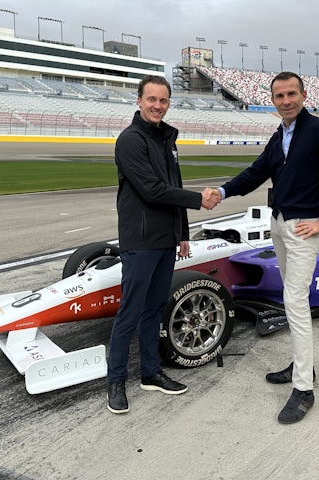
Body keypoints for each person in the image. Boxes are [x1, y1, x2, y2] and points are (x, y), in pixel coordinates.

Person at [208, 71, 319, 424]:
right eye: (279, 96)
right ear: (273, 100)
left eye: (292, 94)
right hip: (278, 224)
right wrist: (224, 191)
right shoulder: (280, 135)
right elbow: (257, 171)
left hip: (305, 228)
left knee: (294, 300)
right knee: (293, 301)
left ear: (304, 95)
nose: (286, 100)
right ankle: (301, 364)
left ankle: (304, 388)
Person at [107, 75, 217, 414]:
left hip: (166, 240)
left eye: (164, 100)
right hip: (140, 241)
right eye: (152, 99)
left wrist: (183, 231)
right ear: (139, 100)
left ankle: (151, 374)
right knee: (130, 312)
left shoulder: (167, 138)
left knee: (154, 310)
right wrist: (200, 199)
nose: (157, 106)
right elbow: (152, 190)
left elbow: (174, 185)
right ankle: (116, 381)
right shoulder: (130, 140)